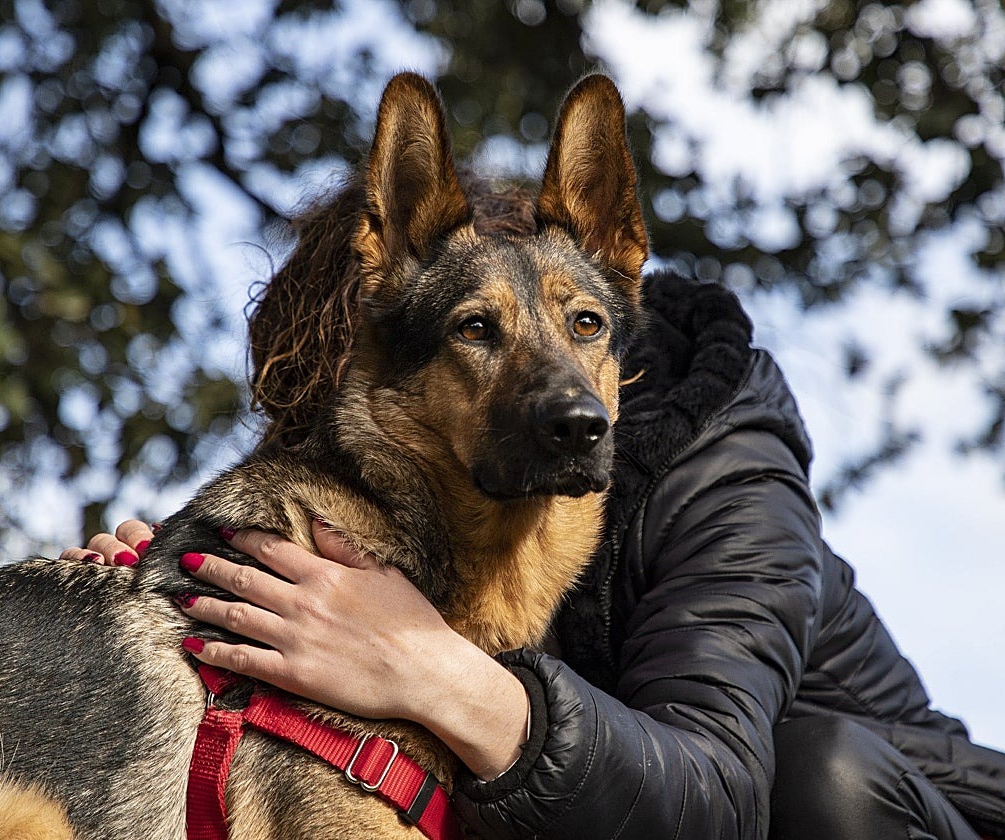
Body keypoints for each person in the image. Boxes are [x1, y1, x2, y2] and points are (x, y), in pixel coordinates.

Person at [63, 181, 1005, 839]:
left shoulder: (723, 470)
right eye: (473, 335)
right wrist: (163, 604)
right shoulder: (406, 479)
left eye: (579, 324)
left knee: (820, 777)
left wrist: (432, 670)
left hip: (887, 811)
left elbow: (718, 800)